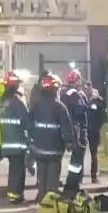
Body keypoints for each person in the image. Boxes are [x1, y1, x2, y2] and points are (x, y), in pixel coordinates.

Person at [30, 73, 74, 203]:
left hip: (39, 148)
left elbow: (30, 124)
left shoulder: (36, 105)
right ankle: (52, 201)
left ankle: (41, 198)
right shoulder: (60, 107)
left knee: (42, 176)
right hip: (54, 149)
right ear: (55, 89)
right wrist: (69, 143)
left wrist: (32, 141)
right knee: (53, 177)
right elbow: (66, 127)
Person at [0, 71, 32, 204]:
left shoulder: (2, 101)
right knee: (18, 169)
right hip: (18, 142)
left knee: (13, 169)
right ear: (16, 86)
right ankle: (16, 195)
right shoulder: (17, 101)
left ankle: (12, 193)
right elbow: (26, 120)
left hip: (6, 142)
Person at [61, 68, 89, 195]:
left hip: (68, 129)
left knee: (74, 160)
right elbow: (80, 112)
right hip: (77, 130)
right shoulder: (76, 95)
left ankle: (72, 183)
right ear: (76, 80)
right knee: (77, 160)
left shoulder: (63, 94)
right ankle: (73, 185)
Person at [83, 82, 106, 183]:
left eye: (88, 89)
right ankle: (79, 177)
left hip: (93, 130)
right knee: (80, 154)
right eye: (85, 89)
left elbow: (103, 117)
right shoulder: (81, 98)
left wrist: (97, 126)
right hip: (84, 129)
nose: (87, 91)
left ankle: (94, 176)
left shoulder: (97, 101)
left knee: (94, 154)